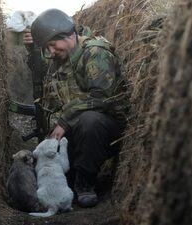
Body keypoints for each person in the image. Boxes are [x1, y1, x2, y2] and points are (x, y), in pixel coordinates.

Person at [23, 9, 127, 208]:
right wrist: (33, 51)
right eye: (47, 47)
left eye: (53, 45)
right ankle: (74, 176)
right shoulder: (61, 57)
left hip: (103, 132)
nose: (51, 52)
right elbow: (43, 72)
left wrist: (64, 120)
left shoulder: (95, 53)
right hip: (74, 134)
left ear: (69, 35)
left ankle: (85, 184)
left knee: (90, 121)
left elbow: (102, 97)